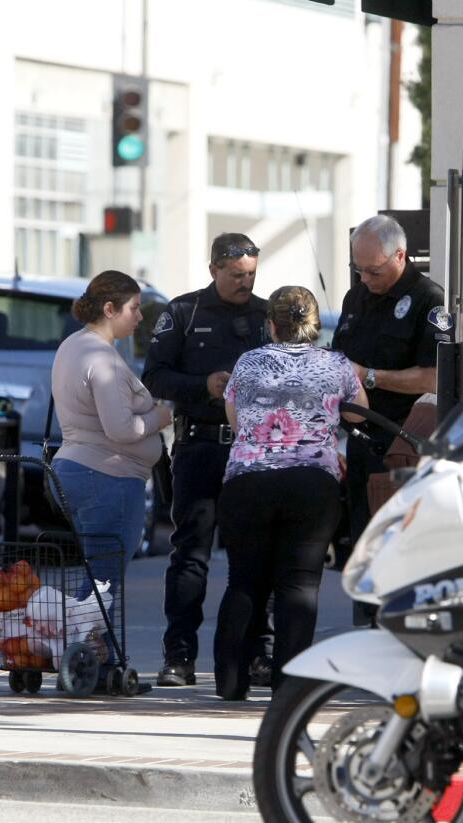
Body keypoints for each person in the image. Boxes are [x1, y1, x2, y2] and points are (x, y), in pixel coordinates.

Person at [213, 286, 367, 699]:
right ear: (314, 324)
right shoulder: (336, 365)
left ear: (271, 325)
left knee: (244, 581)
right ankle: (289, 685)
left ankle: (230, 681)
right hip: (311, 483)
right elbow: (358, 413)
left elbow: (235, 416)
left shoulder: (248, 363)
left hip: (248, 480)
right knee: (299, 586)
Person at [143, 233, 271, 687]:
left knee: (254, 555)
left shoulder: (265, 315)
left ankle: (257, 653)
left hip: (252, 449)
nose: (245, 282)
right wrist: (205, 385)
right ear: (214, 268)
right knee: (191, 555)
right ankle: (179, 655)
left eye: (252, 274)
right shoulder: (183, 312)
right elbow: (154, 376)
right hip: (200, 444)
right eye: (237, 275)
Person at [51, 270, 172, 605]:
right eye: (133, 308)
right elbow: (120, 428)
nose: (139, 316)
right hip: (106, 476)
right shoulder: (102, 359)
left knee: (99, 575)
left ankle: (92, 649)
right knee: (102, 580)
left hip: (79, 469)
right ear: (109, 309)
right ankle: (86, 650)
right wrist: (158, 417)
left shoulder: (73, 345)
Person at [332, 214, 453, 548]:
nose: (365, 278)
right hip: (357, 443)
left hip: (401, 446)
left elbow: (434, 378)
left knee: (396, 549)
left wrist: (369, 377)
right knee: (361, 549)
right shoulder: (355, 298)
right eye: (359, 269)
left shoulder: (429, 299)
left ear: (400, 255)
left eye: (374, 270)